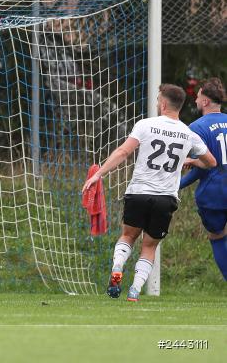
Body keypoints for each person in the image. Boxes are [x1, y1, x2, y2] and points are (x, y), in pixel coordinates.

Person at [82, 84, 216, 301]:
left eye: (157, 100)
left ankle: (118, 266)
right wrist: (190, 159)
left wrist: (99, 175)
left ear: (163, 103)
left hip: (138, 193)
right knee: (149, 246)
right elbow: (211, 162)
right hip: (166, 198)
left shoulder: (145, 125)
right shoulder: (187, 133)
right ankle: (135, 289)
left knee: (127, 236)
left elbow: (124, 151)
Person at [180, 77, 227, 280]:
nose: (196, 100)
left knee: (217, 236)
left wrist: (177, 185)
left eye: (198, 96)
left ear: (206, 101)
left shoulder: (196, 127)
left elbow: (202, 168)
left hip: (213, 193)